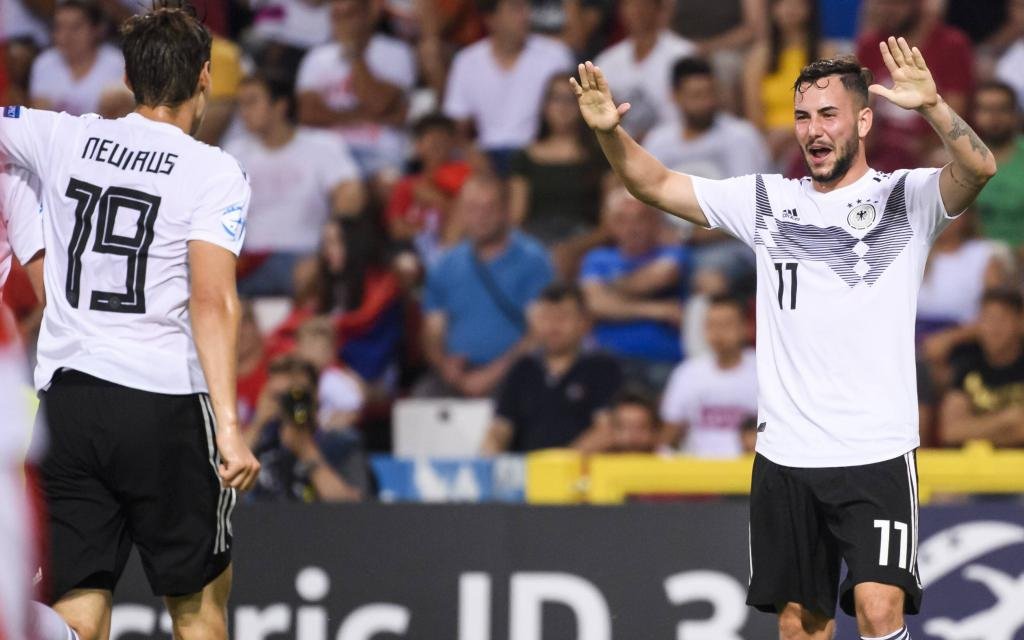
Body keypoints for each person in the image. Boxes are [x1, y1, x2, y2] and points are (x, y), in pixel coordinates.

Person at [571, 30, 996, 638]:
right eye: (801, 116)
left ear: (865, 120)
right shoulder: (768, 200)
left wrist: (933, 106)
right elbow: (656, 184)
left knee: (880, 610)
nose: (813, 130)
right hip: (786, 455)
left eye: (828, 114)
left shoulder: (906, 198)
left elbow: (979, 165)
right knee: (800, 624)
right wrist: (609, 131)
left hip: (874, 451)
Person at [1, 5, 263, 639]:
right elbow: (212, 300)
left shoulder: (62, 136)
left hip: (70, 406)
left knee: (77, 608)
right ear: (204, 77)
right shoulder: (214, 172)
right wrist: (229, 428)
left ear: (128, 75)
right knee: (198, 609)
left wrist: (27, 237)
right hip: (166, 405)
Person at [228, 73, 364, 297]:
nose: (244, 112)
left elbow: (351, 194)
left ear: (280, 106)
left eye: (252, 102)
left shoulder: (321, 145)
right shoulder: (235, 152)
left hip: (307, 255)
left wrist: (327, 247)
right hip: (249, 260)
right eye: (240, 104)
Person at [419, 174, 554, 398]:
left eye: (488, 209)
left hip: (516, 372)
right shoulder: (445, 264)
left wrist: (492, 374)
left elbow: (539, 331)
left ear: (505, 211)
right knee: (421, 400)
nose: (480, 217)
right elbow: (433, 329)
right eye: (472, 209)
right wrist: (444, 363)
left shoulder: (533, 260)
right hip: (455, 374)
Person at [481, 282, 622, 454]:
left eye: (562, 317)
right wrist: (489, 458)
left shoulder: (602, 367)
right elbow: (501, 426)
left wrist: (558, 466)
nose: (553, 327)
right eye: (546, 317)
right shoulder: (523, 368)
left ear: (584, 322)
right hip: (526, 471)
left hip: (580, 472)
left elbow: (606, 430)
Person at [442, 0, 574, 175]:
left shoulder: (555, 55)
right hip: (487, 154)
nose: (525, 15)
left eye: (527, 7)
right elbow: (456, 126)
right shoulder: (467, 61)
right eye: (516, 9)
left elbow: (571, 113)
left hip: (539, 151)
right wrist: (473, 156)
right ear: (491, 19)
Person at [295, 0, 417, 187]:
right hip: (327, 152)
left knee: (387, 184)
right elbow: (308, 114)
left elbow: (378, 102)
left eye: (349, 15)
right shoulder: (316, 57)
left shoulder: (395, 52)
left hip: (378, 153)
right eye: (336, 16)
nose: (341, 23)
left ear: (370, 15)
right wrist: (367, 116)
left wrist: (354, 56)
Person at [579, 188, 690, 391]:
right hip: (608, 358)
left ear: (655, 223)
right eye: (622, 220)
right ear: (610, 226)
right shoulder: (598, 258)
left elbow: (657, 278)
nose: (632, 227)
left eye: (640, 219)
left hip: (662, 360)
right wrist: (657, 310)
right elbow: (595, 305)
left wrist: (608, 289)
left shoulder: (673, 253)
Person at [508, 75, 610, 277]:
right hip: (536, 237)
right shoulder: (525, 157)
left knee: (562, 260)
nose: (563, 107)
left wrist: (575, 247)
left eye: (570, 100)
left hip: (584, 238)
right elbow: (516, 217)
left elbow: (609, 224)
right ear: (544, 106)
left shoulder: (600, 156)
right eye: (556, 99)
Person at [856, 0, 974, 172]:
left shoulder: (951, 44)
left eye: (897, 4)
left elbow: (954, 116)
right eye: (882, 3)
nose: (887, 10)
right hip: (880, 155)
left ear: (920, 5)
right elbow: (861, 109)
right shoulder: (870, 44)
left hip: (930, 153)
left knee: (942, 158)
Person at [660, 295, 758, 457]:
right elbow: (669, 436)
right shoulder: (687, 373)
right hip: (699, 472)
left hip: (749, 469)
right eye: (711, 325)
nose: (718, 333)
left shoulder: (763, 371)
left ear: (745, 327)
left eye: (726, 325)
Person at [647, 57, 771, 179]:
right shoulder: (658, 142)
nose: (706, 103)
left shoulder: (741, 136)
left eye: (710, 93)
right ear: (675, 96)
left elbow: (749, 193)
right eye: (696, 95)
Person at [743, 0, 832, 164]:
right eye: (782, 3)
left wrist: (794, 135)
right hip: (770, 143)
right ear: (773, 9)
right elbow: (753, 113)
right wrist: (771, 138)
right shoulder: (759, 56)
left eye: (798, 4)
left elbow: (831, 106)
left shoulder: (826, 53)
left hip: (815, 136)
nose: (790, 9)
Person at [593, 0, 696, 140]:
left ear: (659, 9)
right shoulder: (606, 61)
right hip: (620, 148)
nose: (637, 10)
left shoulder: (683, 54)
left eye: (643, 4)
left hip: (675, 146)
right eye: (629, 4)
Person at [385, 113, 472, 270]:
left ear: (453, 144)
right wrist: (424, 231)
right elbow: (396, 229)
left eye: (442, 141)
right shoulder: (407, 185)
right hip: (416, 249)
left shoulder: (465, 176)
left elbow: (468, 218)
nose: (437, 146)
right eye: (431, 141)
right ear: (418, 146)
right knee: (405, 264)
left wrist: (436, 200)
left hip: (454, 246)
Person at [939, 288, 1024, 448]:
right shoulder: (966, 361)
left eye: (1002, 319)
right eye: (987, 319)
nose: (994, 328)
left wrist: (975, 428)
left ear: (1020, 322)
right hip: (975, 468)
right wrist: (1007, 420)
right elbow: (951, 431)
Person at [29, 0, 125, 116]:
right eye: (59, 27)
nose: (65, 36)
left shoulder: (117, 64)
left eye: (75, 27)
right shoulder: (44, 63)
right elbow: (40, 117)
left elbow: (117, 118)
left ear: (97, 29)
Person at [971, 81, 1024, 251]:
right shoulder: (961, 161)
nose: (994, 117)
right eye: (986, 109)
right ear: (975, 115)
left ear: (1016, 114)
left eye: (1002, 109)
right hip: (978, 259)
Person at [606, 387, 661, 453]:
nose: (633, 437)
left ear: (655, 431)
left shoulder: (669, 459)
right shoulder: (593, 458)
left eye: (641, 427)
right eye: (625, 427)